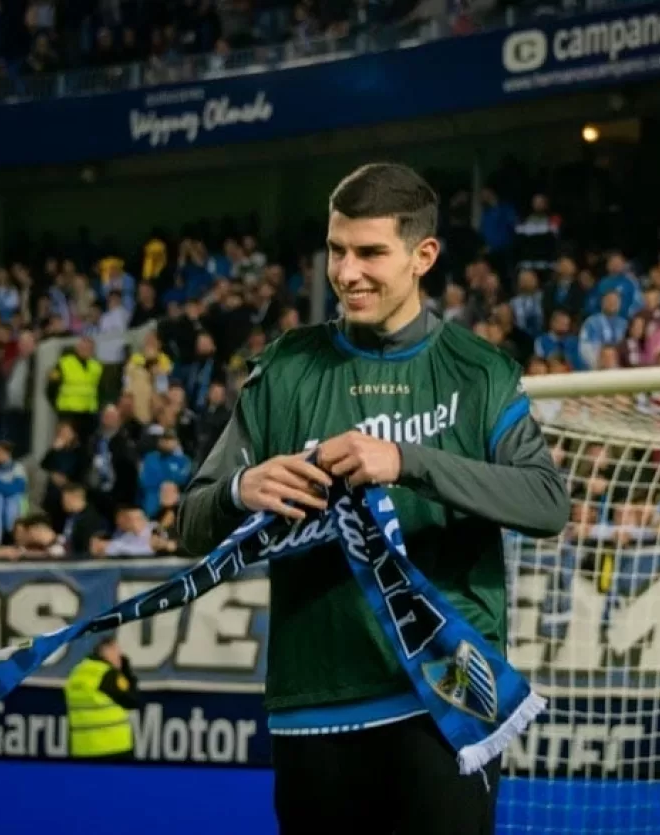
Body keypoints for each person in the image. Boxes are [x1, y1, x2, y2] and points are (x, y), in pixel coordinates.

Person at [175, 163, 569, 835]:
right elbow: (189, 522)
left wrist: (405, 460)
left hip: (446, 696)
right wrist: (243, 488)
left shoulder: (480, 372)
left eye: (369, 252)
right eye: (336, 249)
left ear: (423, 255)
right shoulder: (286, 367)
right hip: (314, 701)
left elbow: (545, 501)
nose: (346, 271)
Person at [63, 635, 140, 760]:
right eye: (116, 651)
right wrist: (126, 671)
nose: (119, 656)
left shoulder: (77, 671)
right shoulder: (107, 674)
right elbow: (133, 700)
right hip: (112, 747)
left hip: (82, 748)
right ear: (106, 650)